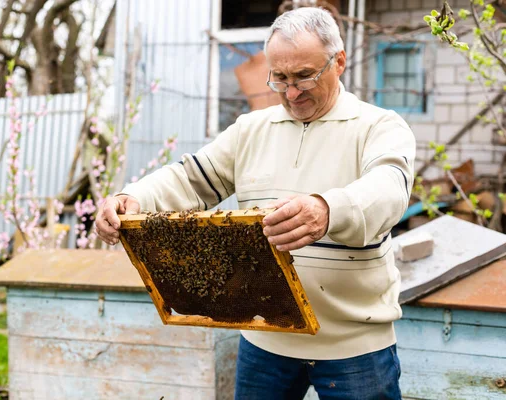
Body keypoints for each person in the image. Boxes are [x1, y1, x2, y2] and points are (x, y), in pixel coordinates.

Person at [96, 6, 415, 400]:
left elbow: (390, 187)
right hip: (265, 341)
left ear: (339, 63)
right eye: (279, 77)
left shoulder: (379, 127)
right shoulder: (251, 129)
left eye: (304, 76)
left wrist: (329, 210)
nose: (291, 92)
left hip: (355, 348)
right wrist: (133, 197)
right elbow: (191, 177)